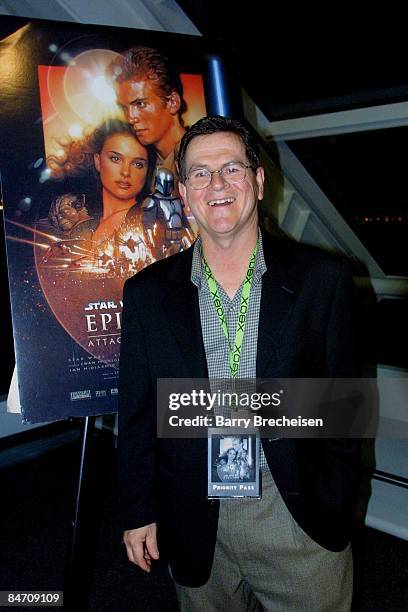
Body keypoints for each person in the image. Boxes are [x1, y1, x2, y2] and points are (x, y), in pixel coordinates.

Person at [118, 115, 362, 611]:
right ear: (184, 193)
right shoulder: (146, 295)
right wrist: (139, 509)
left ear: (257, 179)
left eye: (231, 167)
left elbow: (345, 408)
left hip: (296, 522)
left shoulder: (323, 281)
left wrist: (333, 506)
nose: (217, 184)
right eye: (200, 174)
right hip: (195, 520)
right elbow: (139, 414)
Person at [47, 119, 155, 246]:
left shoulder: (150, 223)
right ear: (98, 161)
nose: (126, 172)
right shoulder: (84, 222)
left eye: (138, 164)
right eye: (115, 158)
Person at [107, 46, 187, 182]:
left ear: (173, 102)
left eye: (140, 104)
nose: (130, 118)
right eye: (124, 108)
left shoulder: (199, 159)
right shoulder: (145, 164)